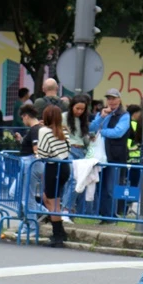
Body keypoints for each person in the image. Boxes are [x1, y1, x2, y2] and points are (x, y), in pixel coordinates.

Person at [88, 89, 129, 220]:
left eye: (113, 98)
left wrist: (101, 131)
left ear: (119, 100)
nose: (111, 101)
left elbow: (118, 132)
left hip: (115, 156)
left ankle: (111, 215)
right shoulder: (103, 114)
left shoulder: (124, 115)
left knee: (111, 188)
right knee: (100, 187)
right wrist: (101, 117)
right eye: (109, 98)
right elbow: (92, 128)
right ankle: (102, 214)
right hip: (100, 156)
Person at [35, 106, 71, 247]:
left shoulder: (43, 131)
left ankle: (58, 236)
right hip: (64, 167)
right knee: (49, 199)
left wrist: (38, 155)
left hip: (52, 168)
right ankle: (60, 231)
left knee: (53, 202)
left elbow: (43, 153)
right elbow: (67, 149)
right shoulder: (64, 131)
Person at [60, 94, 92, 223]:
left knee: (78, 182)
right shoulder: (63, 117)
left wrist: (90, 138)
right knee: (73, 180)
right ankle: (66, 210)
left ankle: (68, 209)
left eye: (82, 109)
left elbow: (84, 139)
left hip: (81, 151)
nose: (79, 111)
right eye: (77, 108)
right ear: (72, 106)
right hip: (69, 150)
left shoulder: (83, 121)